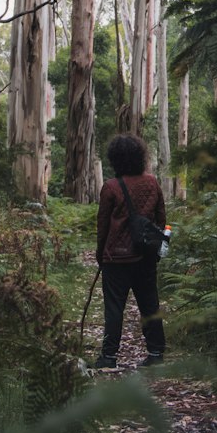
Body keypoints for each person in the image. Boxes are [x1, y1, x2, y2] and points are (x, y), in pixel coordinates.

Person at [94, 133, 166, 369]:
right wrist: (158, 247)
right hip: (145, 254)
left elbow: (103, 225)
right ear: (140, 156)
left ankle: (109, 357)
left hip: (116, 257)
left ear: (115, 159)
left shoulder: (111, 187)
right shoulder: (152, 182)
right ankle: (156, 353)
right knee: (149, 304)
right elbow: (162, 218)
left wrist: (101, 254)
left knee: (114, 307)